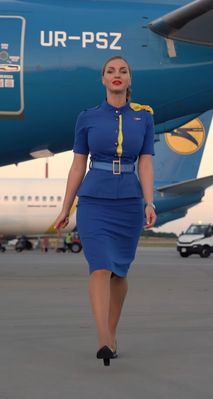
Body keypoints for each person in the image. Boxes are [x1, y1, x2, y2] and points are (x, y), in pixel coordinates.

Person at [54, 56, 157, 366]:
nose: (116, 75)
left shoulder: (144, 118)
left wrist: (149, 202)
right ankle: (102, 339)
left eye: (122, 71)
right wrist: (66, 205)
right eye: (110, 71)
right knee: (99, 265)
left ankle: (111, 334)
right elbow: (77, 165)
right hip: (93, 199)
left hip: (128, 200)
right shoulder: (87, 117)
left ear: (129, 80)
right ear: (103, 79)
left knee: (119, 272)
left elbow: (146, 162)